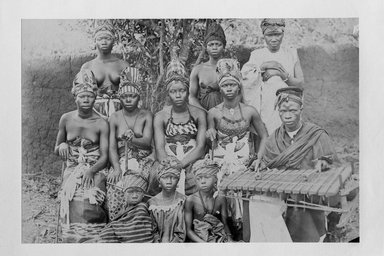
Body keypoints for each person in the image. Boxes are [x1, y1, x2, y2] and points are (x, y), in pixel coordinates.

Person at [260, 86, 338, 242]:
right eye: (283, 111)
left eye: (293, 110)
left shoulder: (317, 135)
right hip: (280, 193)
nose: (287, 115)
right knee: (257, 205)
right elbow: (266, 165)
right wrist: (259, 163)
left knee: (299, 213)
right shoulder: (273, 140)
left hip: (309, 194)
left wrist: (323, 164)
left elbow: (332, 164)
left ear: (301, 109)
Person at [205, 58, 268, 239]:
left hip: (244, 161)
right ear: (220, 88)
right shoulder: (214, 112)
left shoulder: (249, 111)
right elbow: (210, 137)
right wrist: (210, 131)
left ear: (239, 86)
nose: (230, 89)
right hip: (221, 161)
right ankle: (223, 230)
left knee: (245, 190)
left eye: (233, 84)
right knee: (221, 188)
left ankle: (244, 231)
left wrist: (259, 158)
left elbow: (264, 136)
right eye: (225, 86)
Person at [54, 69, 109, 243]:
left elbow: (105, 156)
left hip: (96, 168)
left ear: (95, 98)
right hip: (72, 168)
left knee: (89, 200)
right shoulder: (66, 119)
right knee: (70, 196)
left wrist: (92, 171)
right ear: (75, 97)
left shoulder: (102, 122)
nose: (86, 100)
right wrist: (62, 145)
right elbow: (56, 147)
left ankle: (92, 240)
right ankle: (71, 240)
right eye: (82, 96)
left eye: (90, 96)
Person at [105, 66, 156, 220]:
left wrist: (132, 139)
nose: (128, 99)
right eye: (125, 96)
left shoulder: (146, 115)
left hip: (143, 160)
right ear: (120, 97)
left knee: (138, 183)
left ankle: (140, 222)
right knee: (115, 184)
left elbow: (147, 142)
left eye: (132, 96)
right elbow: (112, 146)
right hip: (121, 160)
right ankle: (118, 223)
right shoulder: (115, 117)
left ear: (138, 97)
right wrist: (115, 167)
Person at [241, 18, 304, 135]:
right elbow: (245, 79)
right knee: (269, 136)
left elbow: (300, 84)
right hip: (265, 105)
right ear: (263, 34)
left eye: (277, 34)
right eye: (270, 35)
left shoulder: (291, 54)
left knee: (287, 136)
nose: (274, 39)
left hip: (287, 104)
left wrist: (280, 73)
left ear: (283, 33)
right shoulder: (257, 55)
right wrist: (264, 66)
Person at [154, 58, 207, 196]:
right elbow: (159, 147)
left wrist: (182, 164)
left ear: (188, 90)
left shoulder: (198, 113)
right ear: (168, 92)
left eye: (182, 90)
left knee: (199, 178)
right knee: (160, 178)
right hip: (169, 157)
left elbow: (201, 147)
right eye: (173, 91)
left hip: (192, 157)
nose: (178, 95)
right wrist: (168, 163)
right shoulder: (161, 116)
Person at [81, 22, 130, 118]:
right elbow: (82, 95)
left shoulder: (123, 65)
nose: (104, 42)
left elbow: (132, 92)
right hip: (95, 112)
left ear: (114, 42)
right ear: (95, 41)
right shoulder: (87, 66)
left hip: (121, 111)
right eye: (100, 39)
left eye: (108, 38)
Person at [97, 168, 159, 243]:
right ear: (124, 193)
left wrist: (112, 227)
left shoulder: (141, 209)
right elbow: (122, 223)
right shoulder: (123, 208)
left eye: (138, 192)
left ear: (143, 195)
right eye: (130, 192)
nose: (135, 195)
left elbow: (134, 229)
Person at [184, 159, 233, 242]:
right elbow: (188, 230)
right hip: (199, 240)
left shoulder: (220, 198)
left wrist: (230, 239)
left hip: (218, 237)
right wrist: (204, 244)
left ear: (215, 179)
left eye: (207, 177)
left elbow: (224, 224)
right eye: (199, 178)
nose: (203, 181)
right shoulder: (191, 200)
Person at [148, 156, 187, 243]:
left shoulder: (183, 201)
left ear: (178, 180)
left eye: (173, 177)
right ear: (159, 180)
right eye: (165, 177)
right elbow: (152, 230)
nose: (169, 181)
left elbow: (182, 231)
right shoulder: (152, 203)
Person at [189, 23, 227, 111]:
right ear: (206, 47)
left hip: (226, 114)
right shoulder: (198, 70)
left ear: (224, 46)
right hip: (204, 113)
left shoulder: (230, 67)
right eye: (211, 44)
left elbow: (238, 94)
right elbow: (191, 97)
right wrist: (205, 113)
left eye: (218, 44)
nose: (214, 47)